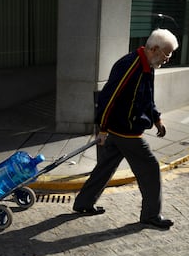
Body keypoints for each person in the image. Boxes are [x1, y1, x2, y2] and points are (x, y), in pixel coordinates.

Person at [73, 28, 179, 229]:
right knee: (150, 168)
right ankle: (150, 215)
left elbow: (147, 97)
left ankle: (83, 203)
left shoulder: (147, 65)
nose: (169, 58)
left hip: (122, 128)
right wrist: (102, 129)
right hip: (124, 131)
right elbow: (108, 98)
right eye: (167, 53)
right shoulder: (130, 65)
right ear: (154, 48)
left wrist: (157, 118)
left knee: (105, 167)